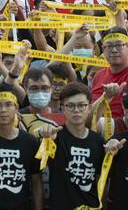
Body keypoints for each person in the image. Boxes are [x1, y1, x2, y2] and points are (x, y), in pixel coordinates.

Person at [38, 82, 105, 210]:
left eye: (81, 105)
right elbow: (41, 163)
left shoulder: (98, 141)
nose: (76, 110)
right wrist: (47, 140)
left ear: (89, 107)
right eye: (70, 106)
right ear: (62, 108)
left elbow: (100, 181)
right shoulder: (55, 137)